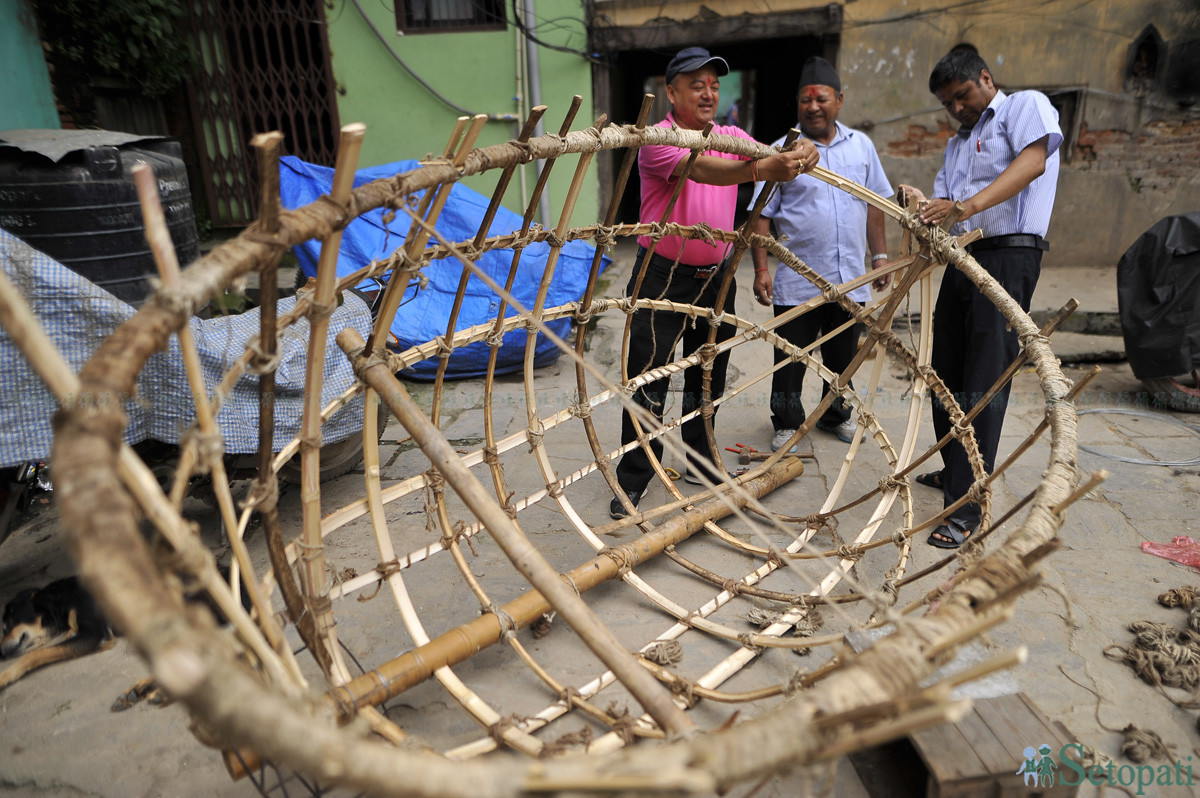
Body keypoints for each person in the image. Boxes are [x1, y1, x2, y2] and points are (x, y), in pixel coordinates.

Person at [610, 46, 819, 520]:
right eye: (696, 85)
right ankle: (635, 479)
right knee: (649, 380)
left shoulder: (728, 134)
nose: (708, 93)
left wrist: (803, 150)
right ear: (672, 92)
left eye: (714, 85)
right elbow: (703, 169)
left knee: (708, 373)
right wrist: (761, 169)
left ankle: (702, 461)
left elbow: (771, 154)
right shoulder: (656, 137)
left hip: (716, 276)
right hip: (661, 276)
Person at [897, 49, 1062, 548]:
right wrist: (921, 204)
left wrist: (965, 205)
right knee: (945, 369)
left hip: (1009, 256)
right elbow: (947, 211)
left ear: (986, 79)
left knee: (985, 378)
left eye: (963, 96)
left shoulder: (1024, 107)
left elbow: (1034, 161)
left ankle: (969, 505)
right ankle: (955, 470)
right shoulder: (956, 145)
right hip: (963, 259)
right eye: (949, 103)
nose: (958, 109)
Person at [749, 56, 893, 455]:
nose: (813, 106)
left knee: (843, 356)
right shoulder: (782, 150)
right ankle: (786, 423)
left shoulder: (861, 146)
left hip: (850, 277)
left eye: (822, 99)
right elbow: (762, 214)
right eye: (806, 100)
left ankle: (835, 414)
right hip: (797, 280)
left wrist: (879, 256)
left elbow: (875, 201)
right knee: (790, 358)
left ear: (839, 100)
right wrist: (762, 268)